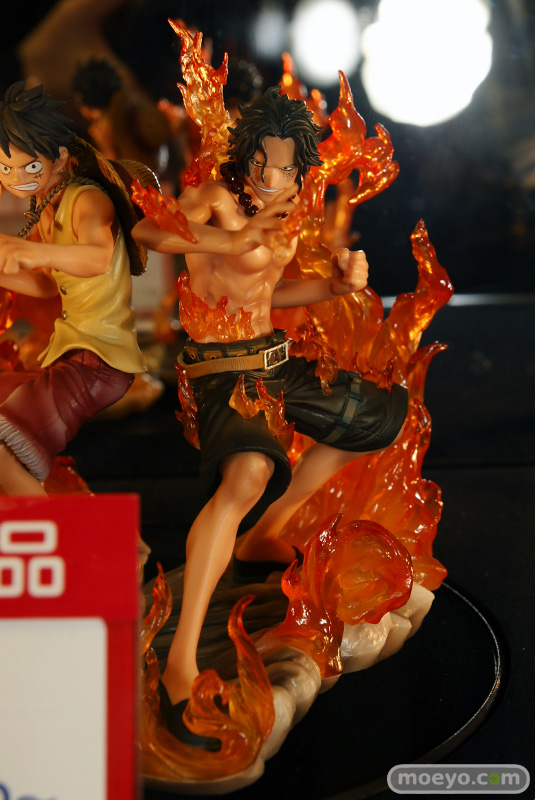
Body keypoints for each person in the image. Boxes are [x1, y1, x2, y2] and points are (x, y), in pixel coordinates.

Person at [133, 87, 408, 747]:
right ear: (244, 154)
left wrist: (336, 285)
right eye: (261, 161)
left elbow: (267, 291)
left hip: (272, 361)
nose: (271, 176)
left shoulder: (286, 206)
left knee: (376, 416)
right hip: (221, 368)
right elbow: (146, 231)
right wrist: (232, 236)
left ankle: (267, 534)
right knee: (246, 476)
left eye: (285, 166)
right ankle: (179, 662)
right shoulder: (213, 198)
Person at [0, 80, 147, 496]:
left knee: (3, 451)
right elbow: (47, 285)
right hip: (70, 355)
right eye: (6, 169)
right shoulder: (47, 208)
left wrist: (29, 251)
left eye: (30, 168)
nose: (17, 179)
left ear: (61, 158)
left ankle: (60, 536)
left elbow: (97, 258)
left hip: (99, 361)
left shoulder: (86, 200)